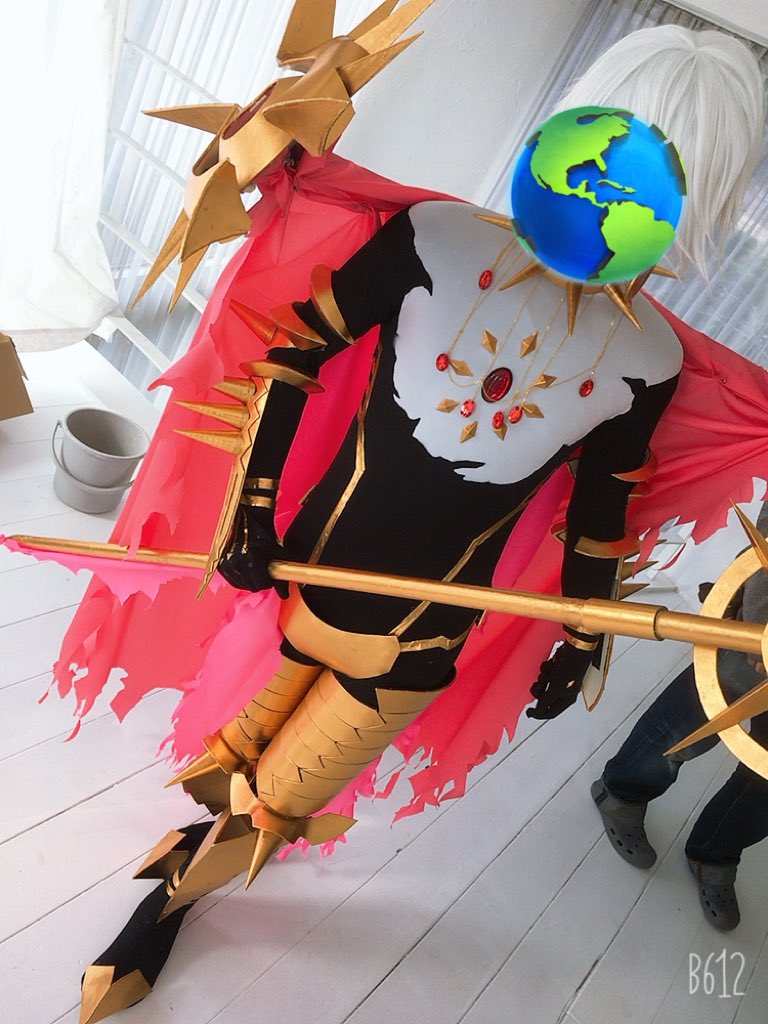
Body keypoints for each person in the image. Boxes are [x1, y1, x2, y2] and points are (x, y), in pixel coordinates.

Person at [70, 23, 765, 1022]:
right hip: (306, 563)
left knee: (284, 795)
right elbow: (294, 353)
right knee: (241, 747)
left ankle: (170, 905)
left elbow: (597, 518)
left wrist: (579, 639)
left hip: (419, 634)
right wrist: (250, 510)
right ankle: (197, 842)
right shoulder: (438, 237)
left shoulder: (648, 359)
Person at [593, 504, 768, 932]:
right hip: (761, 631)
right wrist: (761, 619)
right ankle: (622, 792)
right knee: (695, 719)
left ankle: (715, 853)